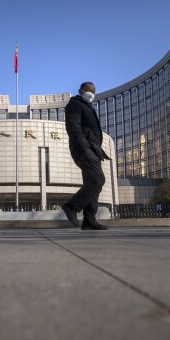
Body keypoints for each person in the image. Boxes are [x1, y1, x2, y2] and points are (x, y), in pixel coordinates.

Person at [61, 82, 110, 230]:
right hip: (84, 149)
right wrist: (85, 148)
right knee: (98, 180)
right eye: (89, 90)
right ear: (80, 91)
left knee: (93, 184)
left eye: (94, 91)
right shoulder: (74, 104)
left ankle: (89, 220)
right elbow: (73, 128)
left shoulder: (88, 107)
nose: (91, 93)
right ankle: (71, 207)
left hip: (94, 149)